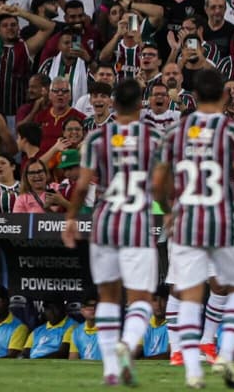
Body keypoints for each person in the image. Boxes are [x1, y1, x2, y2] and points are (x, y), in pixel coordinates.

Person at [153, 68, 234, 390]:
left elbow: (159, 182)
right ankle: (226, 354)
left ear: (195, 96)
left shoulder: (175, 133)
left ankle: (191, 368)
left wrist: (169, 210)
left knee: (189, 294)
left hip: (187, 222)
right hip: (225, 222)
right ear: (225, 96)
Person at [62, 78, 162, 386]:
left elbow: (82, 185)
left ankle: (109, 366)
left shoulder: (96, 139)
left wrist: (70, 219)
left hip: (105, 223)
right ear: (141, 104)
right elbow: (162, 185)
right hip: (138, 224)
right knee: (141, 298)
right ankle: (128, 344)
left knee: (107, 296)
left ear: (114, 104)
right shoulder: (155, 138)